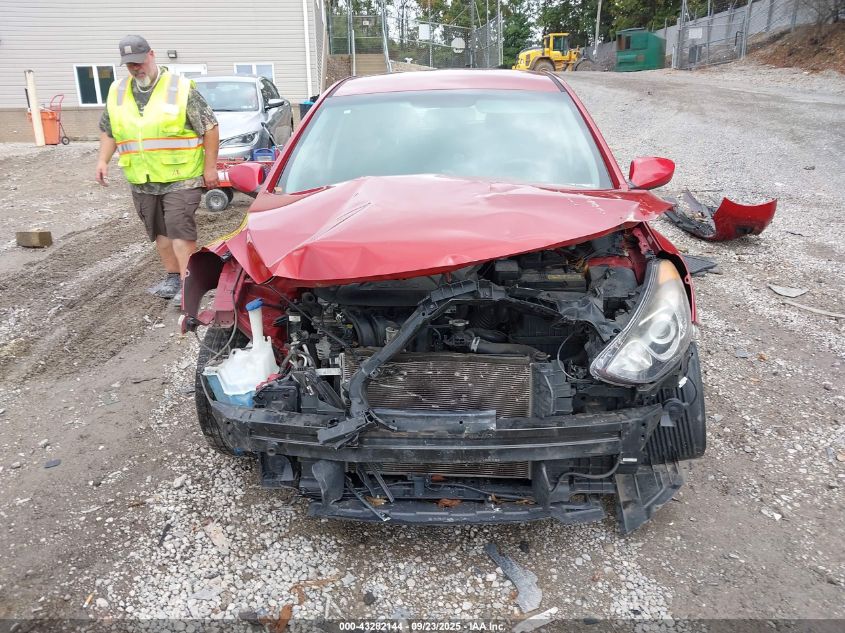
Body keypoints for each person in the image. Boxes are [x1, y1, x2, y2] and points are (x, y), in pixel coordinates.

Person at [95, 35, 219, 299]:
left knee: (179, 229)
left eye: (139, 62)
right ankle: (173, 278)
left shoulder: (180, 88)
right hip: (142, 178)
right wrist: (102, 160)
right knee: (159, 232)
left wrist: (210, 168)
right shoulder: (117, 92)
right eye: (130, 65)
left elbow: (210, 127)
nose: (136, 68)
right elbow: (109, 131)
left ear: (151, 55)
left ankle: (189, 286)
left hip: (181, 177)